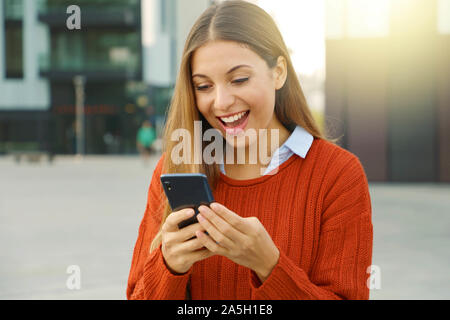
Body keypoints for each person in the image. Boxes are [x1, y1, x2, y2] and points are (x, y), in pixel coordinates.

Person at [127, 1, 373, 300]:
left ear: (278, 72)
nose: (221, 102)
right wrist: (169, 268)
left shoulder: (337, 174)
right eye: (203, 86)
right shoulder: (175, 168)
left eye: (239, 79)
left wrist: (269, 265)